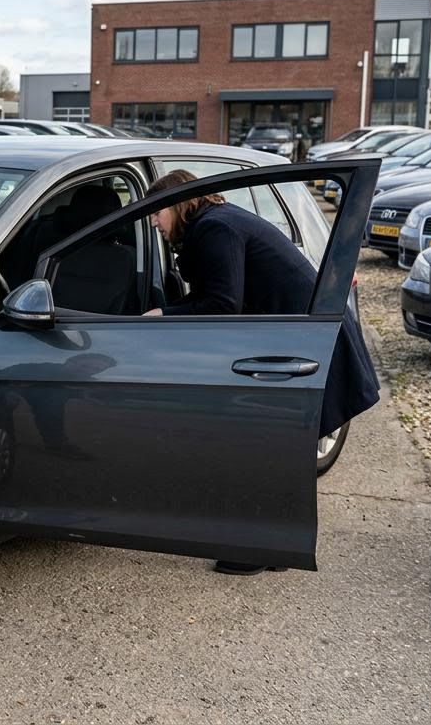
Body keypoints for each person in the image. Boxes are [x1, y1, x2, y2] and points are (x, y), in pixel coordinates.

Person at [144, 169, 380, 576]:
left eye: (156, 212)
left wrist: (162, 315)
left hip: (304, 342)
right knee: (276, 448)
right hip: (294, 337)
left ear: (178, 204)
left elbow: (222, 305)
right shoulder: (216, 222)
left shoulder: (215, 229)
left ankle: (260, 549)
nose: (153, 222)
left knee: (265, 448)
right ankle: (273, 548)